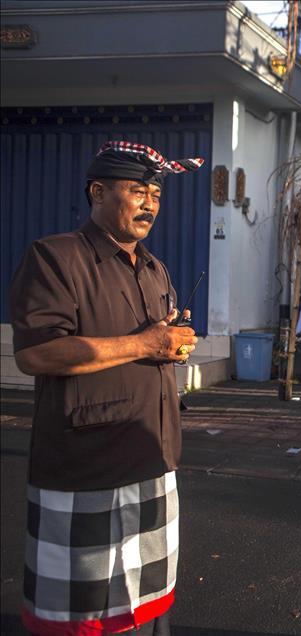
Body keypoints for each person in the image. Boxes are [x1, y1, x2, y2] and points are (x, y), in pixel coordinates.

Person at [9, 141, 204, 635]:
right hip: (86, 466)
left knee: (149, 606)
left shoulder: (155, 269)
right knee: (85, 616)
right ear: (98, 192)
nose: (150, 204)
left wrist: (173, 344)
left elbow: (156, 345)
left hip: (155, 458)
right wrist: (144, 343)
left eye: (156, 194)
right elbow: (35, 354)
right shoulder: (56, 258)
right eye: (137, 191)